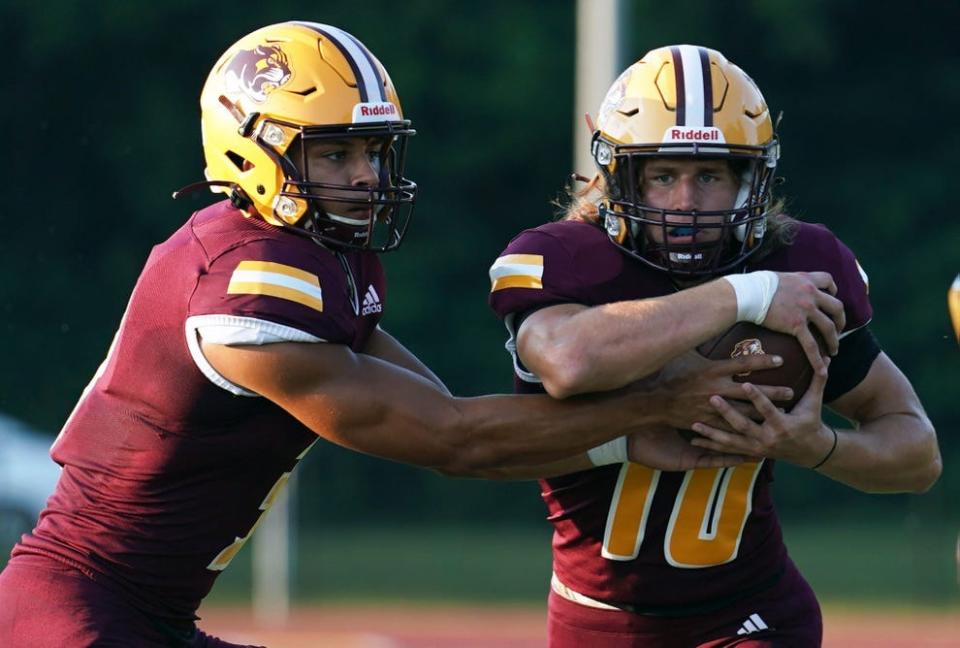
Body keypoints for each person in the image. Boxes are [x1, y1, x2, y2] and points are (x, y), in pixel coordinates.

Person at [0, 25, 816, 648]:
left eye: (372, 152)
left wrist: (625, 439)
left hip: (144, 612)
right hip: (78, 609)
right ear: (253, 151)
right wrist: (656, 407)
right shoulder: (243, 284)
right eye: (336, 154)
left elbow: (451, 413)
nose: (364, 176)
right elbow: (456, 442)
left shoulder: (318, 256)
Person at [488, 44, 941, 647]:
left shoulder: (800, 262)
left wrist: (818, 446)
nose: (684, 203)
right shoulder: (566, 258)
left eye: (709, 176)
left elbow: (917, 454)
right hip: (598, 619)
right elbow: (570, 361)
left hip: (754, 611)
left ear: (750, 179)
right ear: (619, 175)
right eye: (662, 176)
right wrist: (742, 296)